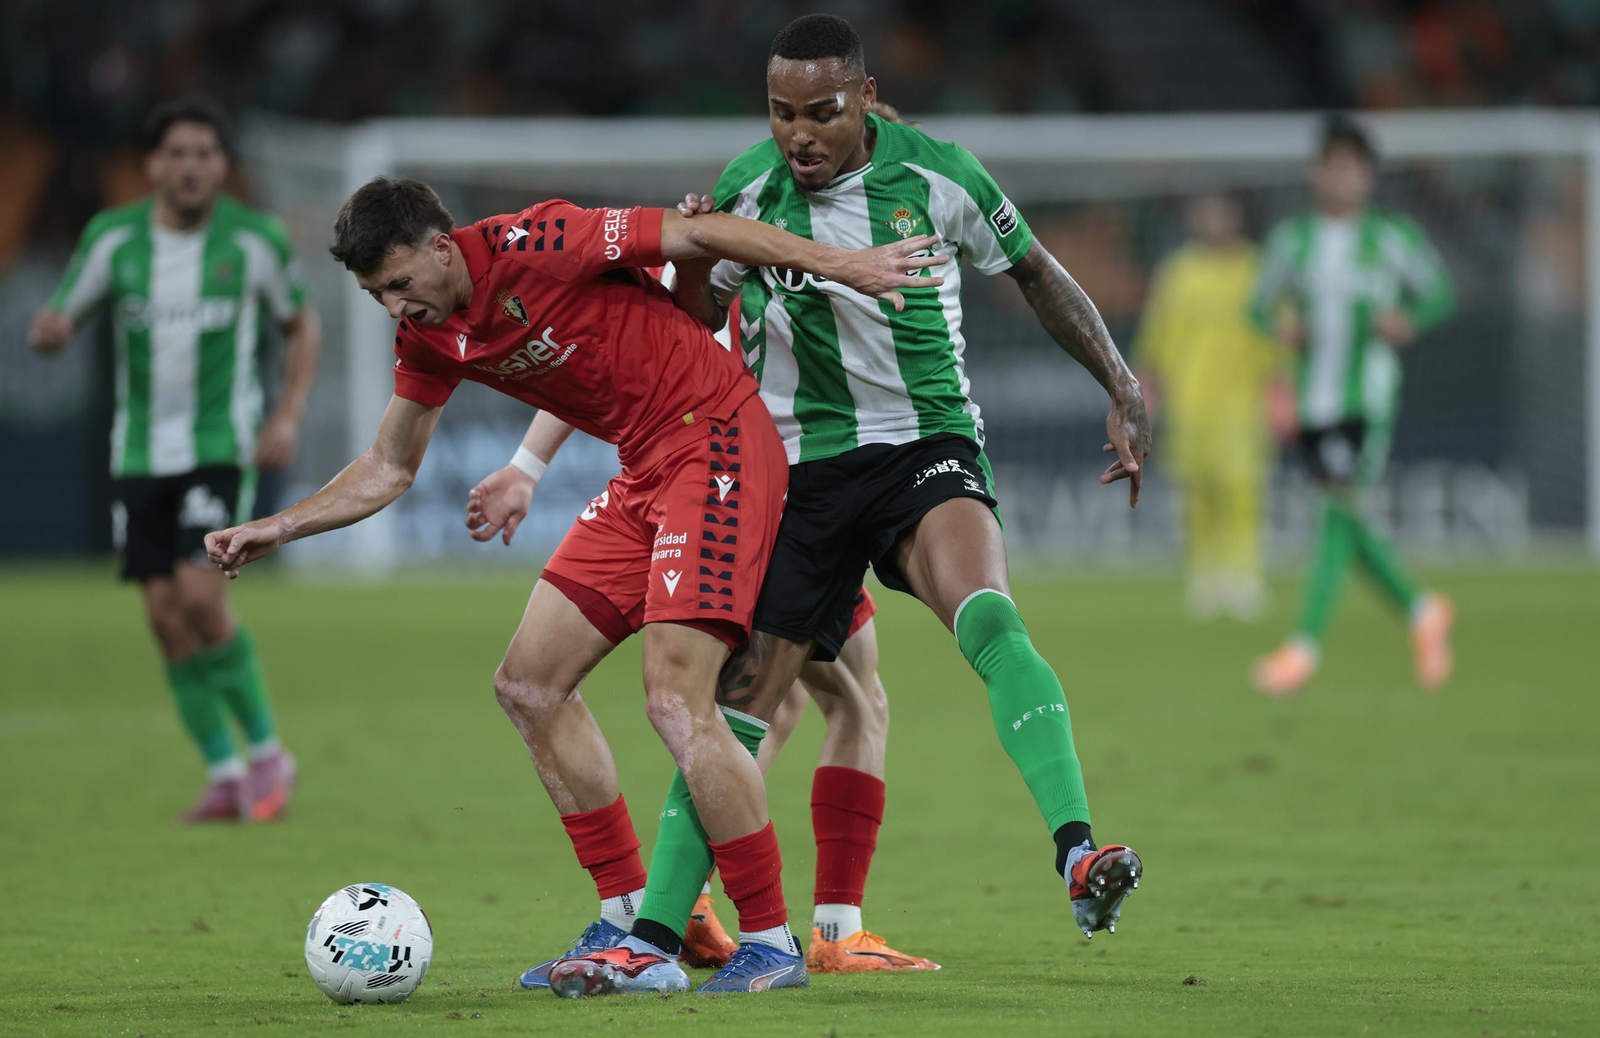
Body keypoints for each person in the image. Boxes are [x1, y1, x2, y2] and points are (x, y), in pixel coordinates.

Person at [202, 176, 943, 995]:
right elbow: (388, 464)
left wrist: (845, 263)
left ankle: (770, 941)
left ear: (442, 248)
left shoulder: (542, 241)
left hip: (716, 444)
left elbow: (702, 235)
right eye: (377, 293)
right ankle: (627, 918)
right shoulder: (428, 334)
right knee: (527, 684)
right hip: (642, 470)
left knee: (678, 699)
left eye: (400, 283)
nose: (393, 307)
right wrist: (281, 526)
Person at [551, 15, 1152, 993]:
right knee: (742, 705)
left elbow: (1036, 274)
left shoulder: (941, 177)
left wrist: (1120, 384)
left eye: (821, 112)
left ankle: (1077, 851)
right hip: (795, 475)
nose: (800, 133)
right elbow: (695, 317)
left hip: (924, 446)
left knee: (989, 618)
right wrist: (696, 259)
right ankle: (653, 942)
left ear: (866, 100)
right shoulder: (750, 185)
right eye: (781, 112)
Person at [471, 244, 935, 976]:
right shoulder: (796, 265)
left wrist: (528, 466)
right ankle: (813, 925)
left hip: (748, 488)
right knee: (818, 699)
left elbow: (592, 356)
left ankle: (693, 904)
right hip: (775, 498)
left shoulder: (706, 263)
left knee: (775, 700)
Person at [28, 95, 318, 823]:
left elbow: (300, 324)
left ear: (221, 166)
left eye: (204, 154)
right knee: (163, 616)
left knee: (201, 598)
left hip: (219, 447)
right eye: (177, 154)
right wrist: (51, 331)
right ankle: (224, 771)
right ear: (153, 165)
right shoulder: (113, 238)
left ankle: (268, 756)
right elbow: (63, 314)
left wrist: (287, 413)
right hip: (137, 451)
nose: (191, 167)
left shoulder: (254, 240)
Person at [1250, 116, 1457, 696]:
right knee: (1346, 518)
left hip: (1367, 397)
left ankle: (1304, 649)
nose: (1340, 177)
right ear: (1316, 173)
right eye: (1332, 166)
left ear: (1368, 176)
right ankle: (1423, 612)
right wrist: (1281, 325)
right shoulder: (1293, 240)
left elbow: (1440, 291)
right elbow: (1258, 305)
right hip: (1313, 401)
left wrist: (1409, 319)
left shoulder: (1391, 237)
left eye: (1351, 168)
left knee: (1336, 512)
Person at [1135, 192, 1283, 621]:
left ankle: (1244, 576)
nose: (1213, 221)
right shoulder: (1178, 273)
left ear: (1236, 217)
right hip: (1190, 401)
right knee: (1196, 492)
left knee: (1242, 490)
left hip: (1243, 400)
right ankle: (1204, 577)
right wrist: (1148, 396)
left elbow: (1277, 337)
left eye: (1221, 213)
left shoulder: (1256, 269)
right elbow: (1156, 338)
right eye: (1206, 214)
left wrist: (1280, 392)